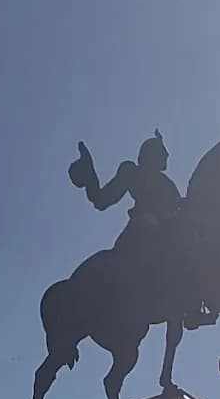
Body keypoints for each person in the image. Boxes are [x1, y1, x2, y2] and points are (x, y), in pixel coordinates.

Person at [68, 132, 209, 327]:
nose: (167, 157)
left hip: (160, 235)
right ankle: (190, 308)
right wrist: (89, 173)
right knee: (182, 259)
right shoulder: (132, 172)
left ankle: (192, 308)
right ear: (152, 154)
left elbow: (179, 211)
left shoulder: (167, 183)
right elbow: (101, 199)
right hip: (142, 235)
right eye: (163, 153)